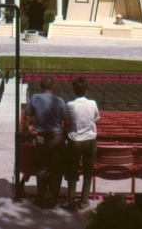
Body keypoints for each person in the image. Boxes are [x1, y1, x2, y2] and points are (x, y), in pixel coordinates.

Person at [25, 75, 69, 208]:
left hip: (42, 136)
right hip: (57, 136)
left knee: (42, 167)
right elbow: (67, 121)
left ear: (41, 86)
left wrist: (26, 130)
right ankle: (52, 198)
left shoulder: (35, 98)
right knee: (56, 169)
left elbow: (27, 117)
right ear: (53, 86)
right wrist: (65, 135)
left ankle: (42, 196)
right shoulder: (60, 100)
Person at [63, 75, 100, 210]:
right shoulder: (93, 103)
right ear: (86, 90)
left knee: (72, 169)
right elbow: (95, 118)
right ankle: (84, 200)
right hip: (90, 140)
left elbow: (68, 122)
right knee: (87, 171)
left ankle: (71, 198)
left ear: (74, 90)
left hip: (75, 140)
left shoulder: (70, 105)